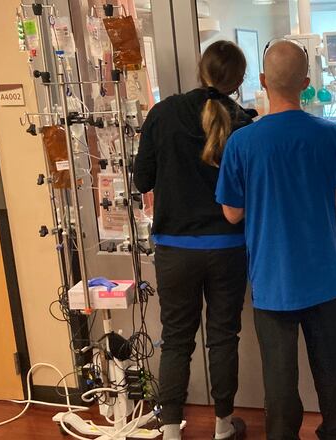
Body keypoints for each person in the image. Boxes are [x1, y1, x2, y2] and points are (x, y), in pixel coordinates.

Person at [216, 39, 336, 440]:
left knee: (279, 377)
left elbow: (231, 212)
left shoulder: (243, 142)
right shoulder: (329, 135)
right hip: (322, 276)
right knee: (331, 367)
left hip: (273, 279)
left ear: (262, 81)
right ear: (307, 82)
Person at [133, 40, 256, 440]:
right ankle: (222, 426)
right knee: (223, 336)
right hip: (227, 248)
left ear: (201, 69)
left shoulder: (163, 113)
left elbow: (142, 180)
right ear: (237, 82)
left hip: (175, 248)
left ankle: (170, 430)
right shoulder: (242, 123)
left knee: (176, 340)